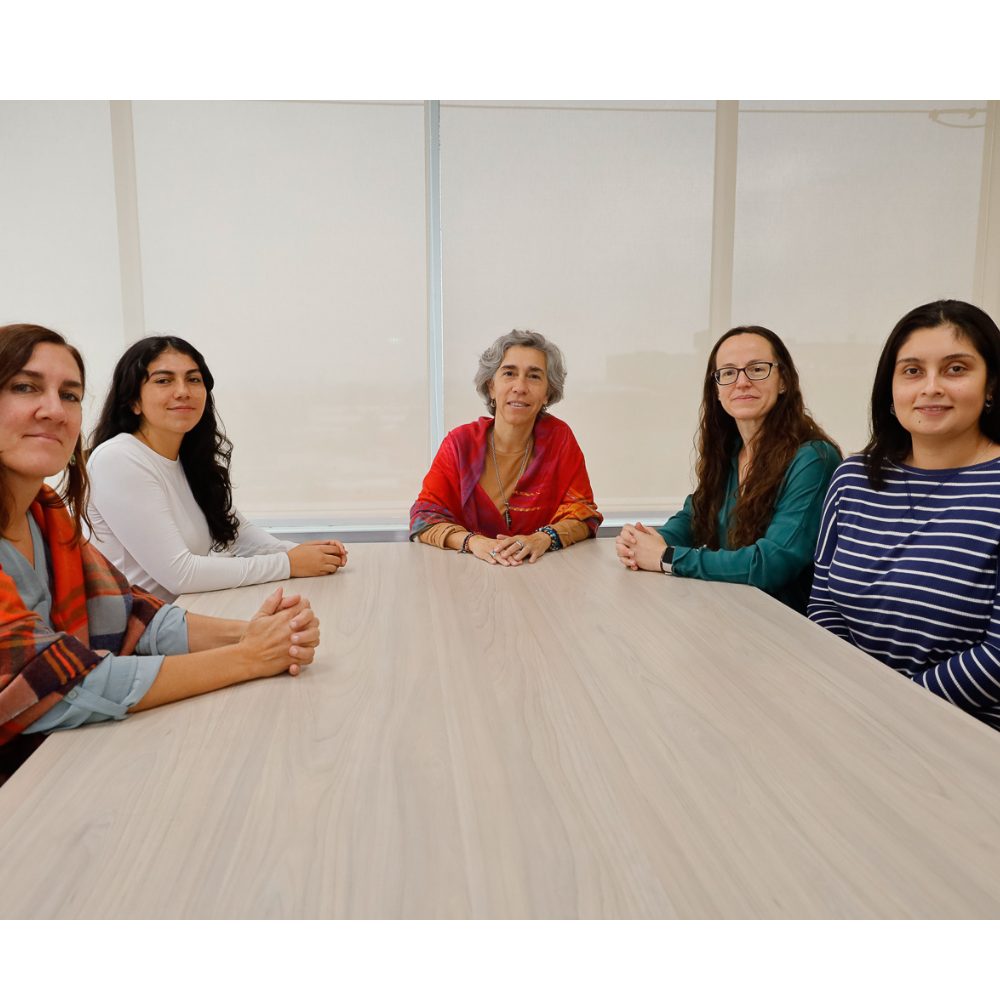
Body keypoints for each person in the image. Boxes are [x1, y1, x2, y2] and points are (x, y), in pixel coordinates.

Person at [0, 324, 320, 749]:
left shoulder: (45, 515)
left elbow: (133, 611)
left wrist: (251, 632)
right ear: (133, 399)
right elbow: (58, 682)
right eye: (25, 387)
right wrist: (249, 656)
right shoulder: (118, 458)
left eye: (70, 395)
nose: (54, 411)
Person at [809, 300, 1000, 731]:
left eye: (955, 369)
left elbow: (997, 657)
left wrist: (890, 708)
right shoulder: (852, 479)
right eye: (912, 371)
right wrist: (851, 698)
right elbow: (824, 603)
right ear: (891, 390)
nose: (931, 387)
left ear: (991, 385)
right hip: (850, 716)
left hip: (968, 737)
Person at [87, 336, 347, 602]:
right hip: (138, 625)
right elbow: (180, 574)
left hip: (184, 613)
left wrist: (304, 553)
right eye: (164, 380)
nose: (183, 391)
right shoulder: (118, 459)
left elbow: (237, 534)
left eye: (193, 379)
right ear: (134, 400)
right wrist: (288, 564)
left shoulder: (188, 458)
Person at [616, 325, 841, 612]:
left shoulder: (813, 458)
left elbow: (772, 564)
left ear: (783, 381)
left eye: (757, 369)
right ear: (717, 389)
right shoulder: (730, 450)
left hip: (785, 625)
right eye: (728, 372)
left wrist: (666, 557)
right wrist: (649, 541)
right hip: (732, 610)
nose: (742, 382)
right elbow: (694, 517)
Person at [410, 329, 602, 564]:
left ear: (547, 393)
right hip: (468, 573)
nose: (520, 387)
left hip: (540, 572)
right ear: (491, 386)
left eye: (534, 376)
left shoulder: (558, 439)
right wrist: (474, 542)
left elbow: (584, 515)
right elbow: (423, 518)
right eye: (509, 373)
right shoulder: (460, 444)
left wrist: (542, 539)